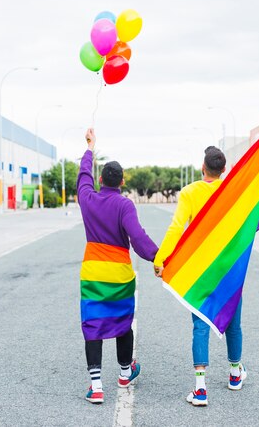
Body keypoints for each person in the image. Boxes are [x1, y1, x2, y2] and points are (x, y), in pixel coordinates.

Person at [153, 145, 246, 407]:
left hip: (200, 270)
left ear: (202, 168)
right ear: (224, 170)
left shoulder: (190, 192)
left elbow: (176, 228)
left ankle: (201, 388)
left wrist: (160, 259)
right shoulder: (232, 193)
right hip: (229, 269)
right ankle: (235, 373)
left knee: (200, 324)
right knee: (233, 322)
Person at [77, 128, 158, 404]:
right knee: (123, 324)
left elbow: (83, 177)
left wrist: (90, 148)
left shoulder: (88, 199)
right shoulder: (125, 206)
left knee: (93, 325)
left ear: (101, 179)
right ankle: (125, 373)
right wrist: (158, 258)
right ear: (122, 181)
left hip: (93, 273)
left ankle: (96, 386)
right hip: (120, 274)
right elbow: (138, 238)